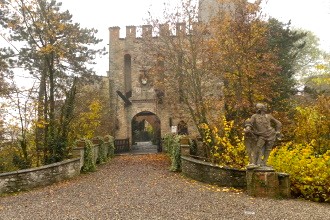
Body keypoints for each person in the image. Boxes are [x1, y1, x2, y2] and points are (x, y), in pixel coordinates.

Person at [244, 103, 282, 168]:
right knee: (258, 148)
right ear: (260, 109)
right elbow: (250, 123)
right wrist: (248, 128)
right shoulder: (254, 116)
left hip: (271, 134)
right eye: (264, 108)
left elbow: (278, 123)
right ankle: (254, 163)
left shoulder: (269, 116)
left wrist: (278, 132)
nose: (265, 109)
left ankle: (264, 163)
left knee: (268, 149)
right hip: (261, 135)